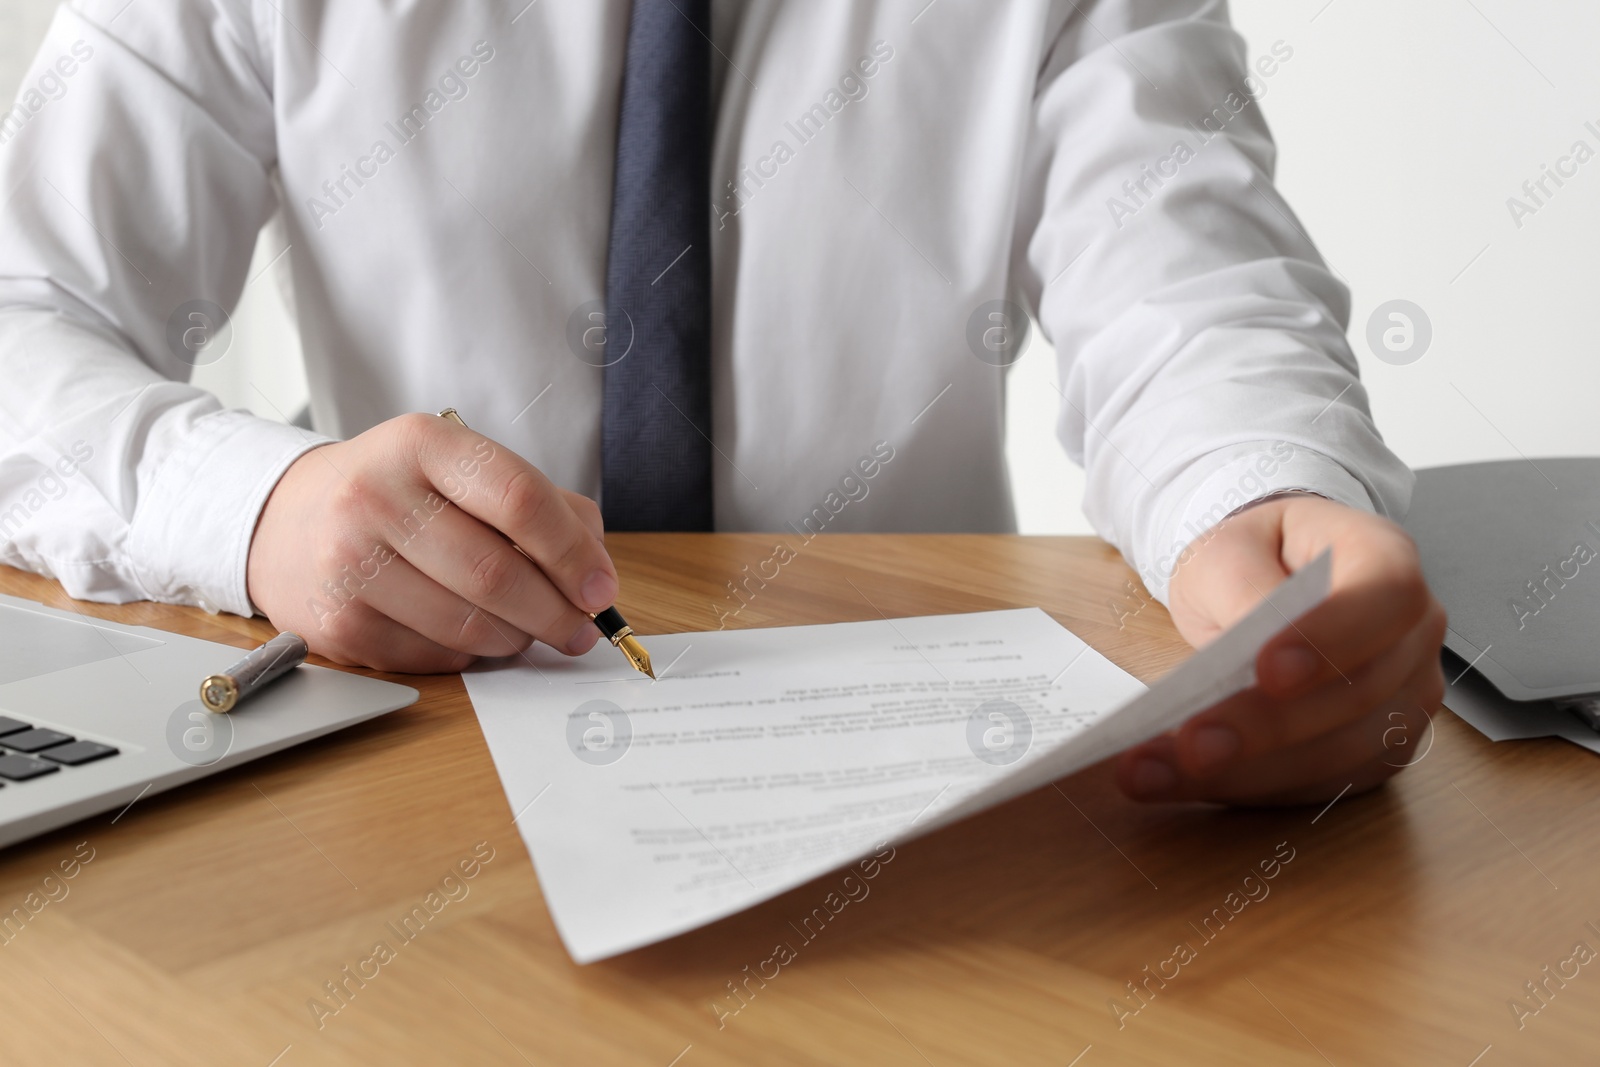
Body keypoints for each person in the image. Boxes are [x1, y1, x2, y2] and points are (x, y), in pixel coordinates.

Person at [0, 0, 1444, 807]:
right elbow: (22, 316)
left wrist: (1258, 500)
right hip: (419, 764)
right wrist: (257, 509)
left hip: (919, 786)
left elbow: (1192, 299)